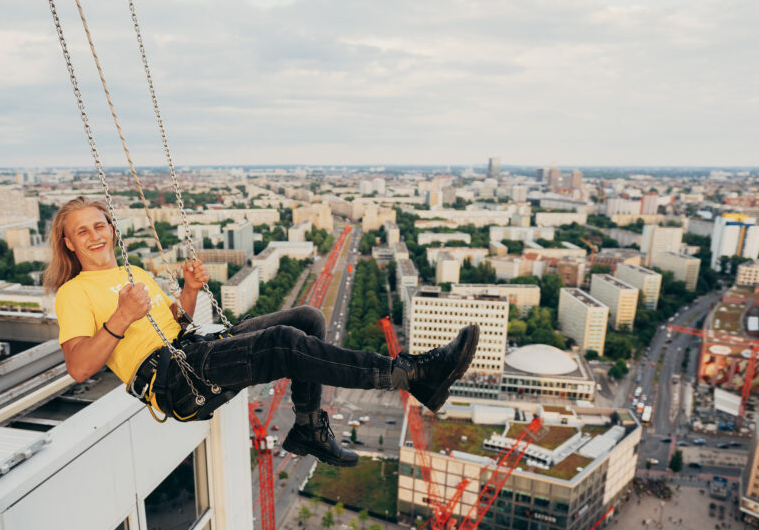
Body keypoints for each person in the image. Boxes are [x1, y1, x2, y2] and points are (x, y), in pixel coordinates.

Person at [45, 197, 480, 467]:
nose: (94, 235)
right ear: (68, 243)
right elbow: (80, 367)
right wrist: (119, 318)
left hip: (192, 349)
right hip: (174, 380)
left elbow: (174, 322)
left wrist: (190, 291)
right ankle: (411, 374)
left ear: (111, 229)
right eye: (81, 231)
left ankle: (309, 427)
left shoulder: (132, 270)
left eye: (99, 225)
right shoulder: (74, 293)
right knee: (283, 345)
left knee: (307, 318)